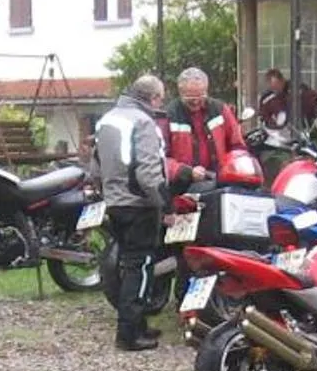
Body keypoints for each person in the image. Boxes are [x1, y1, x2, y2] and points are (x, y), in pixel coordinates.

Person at [93, 74, 173, 351]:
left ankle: (138, 326)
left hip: (115, 202)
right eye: (161, 98)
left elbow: (96, 165)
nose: (161, 103)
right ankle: (129, 334)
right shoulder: (143, 122)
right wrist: (165, 205)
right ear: (152, 98)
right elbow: (149, 172)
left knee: (128, 265)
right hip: (139, 204)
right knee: (140, 267)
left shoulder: (109, 119)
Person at [164, 66, 248, 183]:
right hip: (182, 185)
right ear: (181, 93)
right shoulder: (169, 115)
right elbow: (161, 158)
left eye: (200, 96)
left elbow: (237, 146)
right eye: (190, 97)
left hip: (219, 180)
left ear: (206, 91)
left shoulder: (220, 110)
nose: (196, 101)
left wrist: (233, 169)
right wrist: (185, 172)